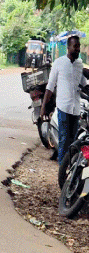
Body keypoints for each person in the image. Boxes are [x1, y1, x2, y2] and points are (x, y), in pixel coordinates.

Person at [42, 35, 86, 165]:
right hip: (63, 108)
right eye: (75, 46)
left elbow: (83, 83)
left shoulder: (79, 64)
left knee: (73, 143)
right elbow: (50, 86)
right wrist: (44, 107)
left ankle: (70, 174)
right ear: (68, 48)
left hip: (76, 109)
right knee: (64, 141)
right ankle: (62, 173)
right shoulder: (59, 63)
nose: (78, 49)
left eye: (79, 46)